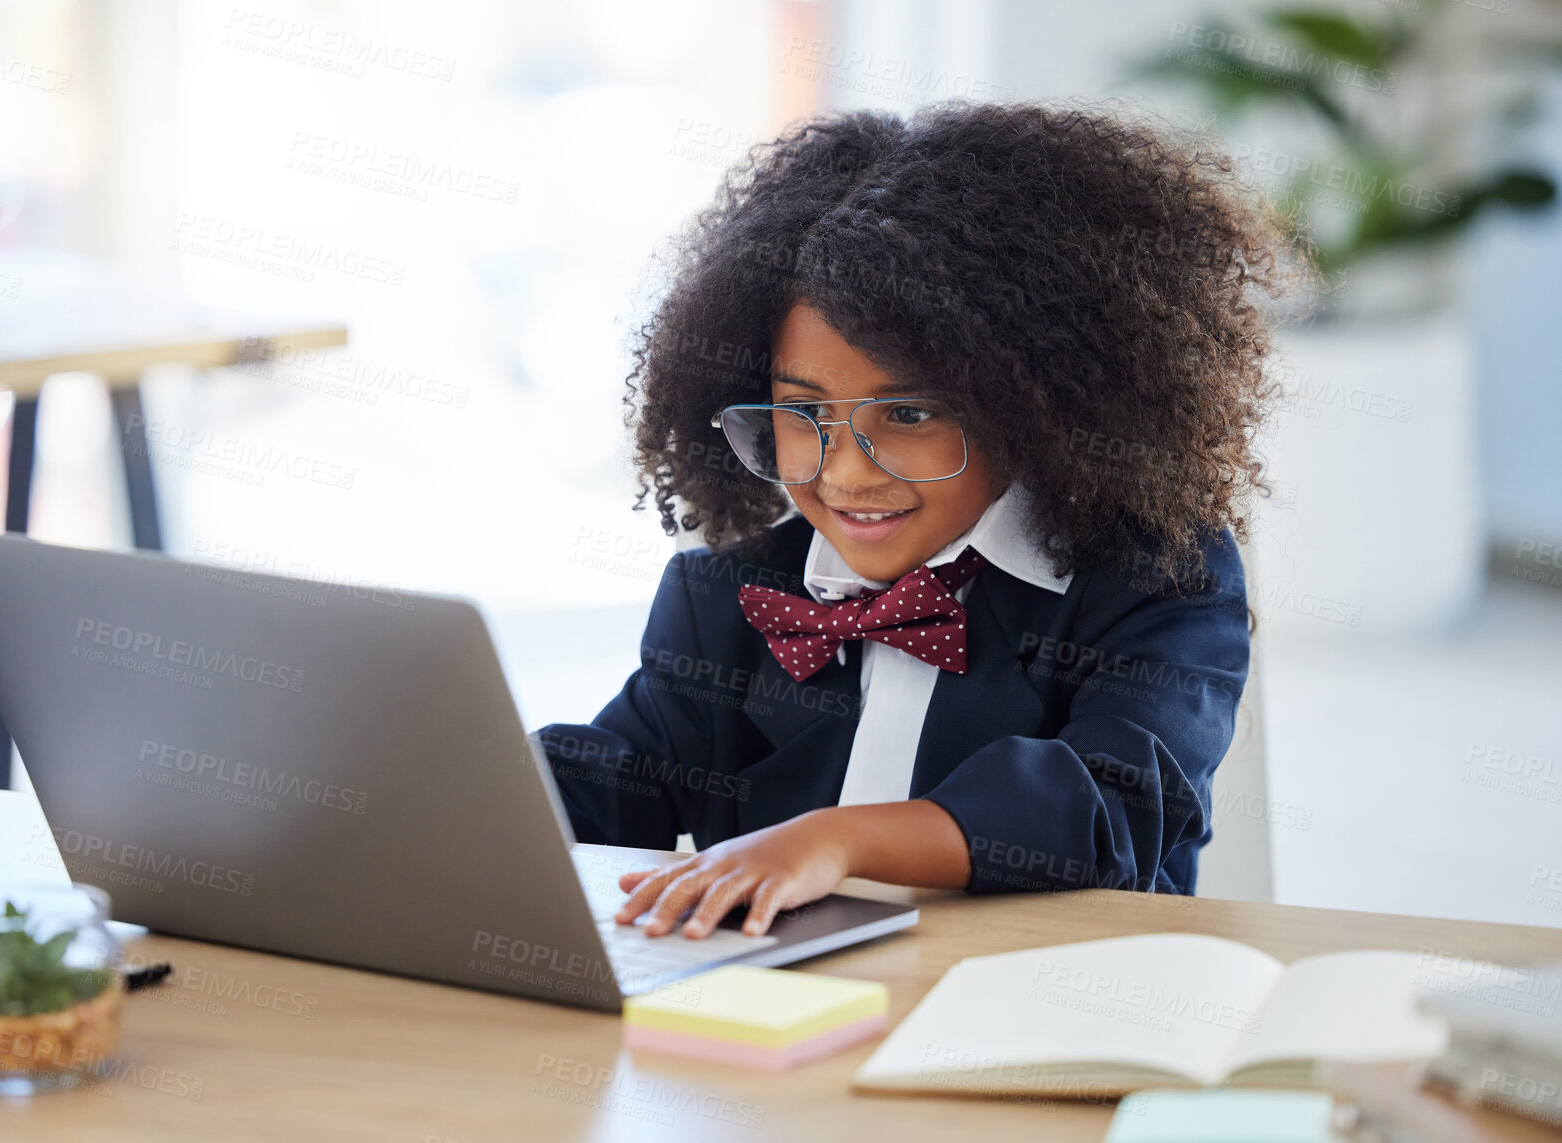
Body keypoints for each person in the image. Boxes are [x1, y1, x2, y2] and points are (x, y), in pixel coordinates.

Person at [534, 101, 1303, 940]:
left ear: (1028, 408)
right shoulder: (725, 595)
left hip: (1043, 1014)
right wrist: (442, 781)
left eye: (906, 414)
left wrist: (836, 840)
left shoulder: (1159, 584)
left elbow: (1105, 807)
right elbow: (614, 777)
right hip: (777, 1028)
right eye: (804, 415)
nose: (847, 472)